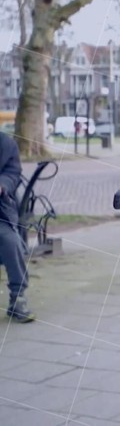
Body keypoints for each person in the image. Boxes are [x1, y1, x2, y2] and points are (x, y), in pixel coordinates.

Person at [0, 132, 35, 323]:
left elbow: (12, 173)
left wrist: (2, 185)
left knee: (10, 241)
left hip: (0, 212)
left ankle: (18, 297)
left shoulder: (5, 143)